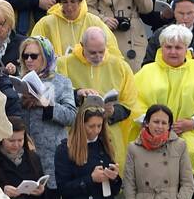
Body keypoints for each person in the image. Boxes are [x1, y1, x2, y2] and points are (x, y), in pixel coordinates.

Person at [133, 26, 194, 170]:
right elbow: (135, 105)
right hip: (152, 135)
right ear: (161, 47)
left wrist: (193, 123)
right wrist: (158, 126)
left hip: (192, 135)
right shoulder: (146, 72)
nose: (173, 51)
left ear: (187, 48)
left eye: (178, 47)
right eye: (168, 47)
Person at [16, 36, 76, 199]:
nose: (29, 61)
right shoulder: (20, 83)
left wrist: (46, 104)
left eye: (34, 56)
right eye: (25, 56)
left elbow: (71, 116)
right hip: (25, 158)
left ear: (47, 56)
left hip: (52, 159)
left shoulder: (61, 82)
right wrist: (20, 103)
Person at [56, 27, 138, 169]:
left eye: (101, 51)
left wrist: (112, 112)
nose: (98, 56)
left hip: (108, 135)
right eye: (92, 52)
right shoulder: (65, 63)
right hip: (76, 133)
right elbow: (56, 96)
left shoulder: (120, 66)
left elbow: (129, 104)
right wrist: (77, 94)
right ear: (82, 45)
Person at [55, 99, 125, 199]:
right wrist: (90, 180)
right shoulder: (65, 149)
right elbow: (63, 189)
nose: (96, 131)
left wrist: (114, 177)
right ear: (81, 125)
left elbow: (115, 190)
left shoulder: (105, 145)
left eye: (99, 126)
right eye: (91, 126)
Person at [122, 104, 193, 199]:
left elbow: (188, 182)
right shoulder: (133, 148)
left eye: (164, 123)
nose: (159, 126)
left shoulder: (179, 145)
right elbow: (129, 187)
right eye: (155, 122)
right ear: (147, 123)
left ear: (169, 126)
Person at [29, 0, 119, 59]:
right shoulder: (46, 23)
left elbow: (112, 50)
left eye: (73, 2)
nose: (69, 7)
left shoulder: (94, 22)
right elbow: (32, 48)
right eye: (65, 2)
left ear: (80, 0)